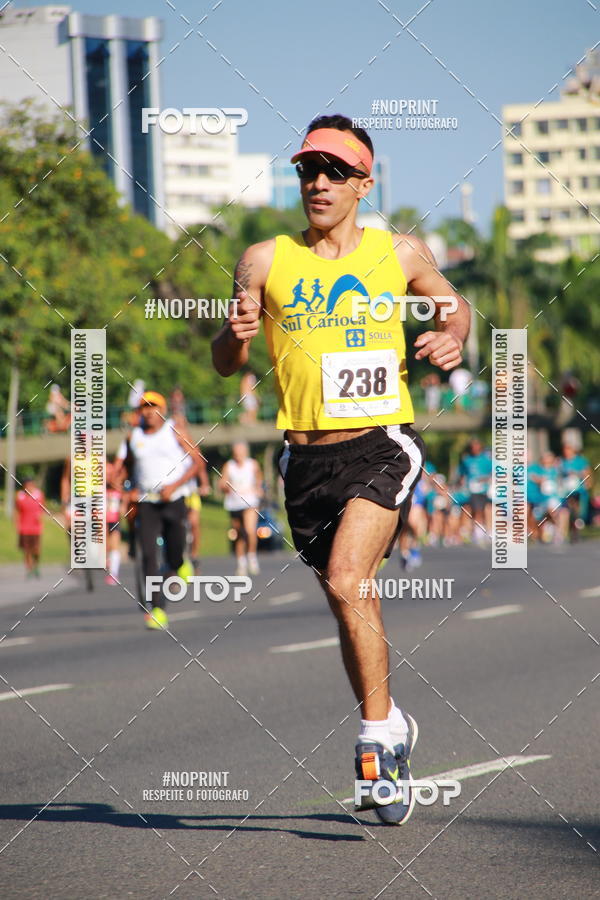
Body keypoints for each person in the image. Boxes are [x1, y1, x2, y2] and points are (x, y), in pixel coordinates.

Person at [212, 114, 470, 825]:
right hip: (304, 458)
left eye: (332, 171)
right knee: (347, 596)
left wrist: (450, 334)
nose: (317, 182)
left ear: (364, 182)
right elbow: (227, 357)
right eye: (306, 170)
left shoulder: (400, 252)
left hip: (383, 440)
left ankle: (372, 742)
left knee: (352, 580)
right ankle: (391, 724)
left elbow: (456, 308)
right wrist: (231, 340)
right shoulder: (265, 260)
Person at [113, 391, 201, 630]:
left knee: (174, 554)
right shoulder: (134, 436)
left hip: (173, 500)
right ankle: (157, 609)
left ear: (162, 410)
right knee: (149, 557)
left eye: (154, 406)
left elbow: (198, 462)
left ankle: (180, 562)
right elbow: (127, 467)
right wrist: (122, 484)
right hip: (146, 503)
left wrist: (174, 485)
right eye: (145, 407)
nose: (149, 411)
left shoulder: (174, 431)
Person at [220, 442, 263, 575]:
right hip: (234, 503)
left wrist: (259, 489)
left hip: (250, 501)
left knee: (250, 531)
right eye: (236, 452)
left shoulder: (253, 464)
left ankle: (252, 558)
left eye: (241, 452)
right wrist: (225, 487)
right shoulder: (229, 465)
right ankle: (241, 563)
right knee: (238, 534)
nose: (238, 455)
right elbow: (222, 482)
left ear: (245, 452)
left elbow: (259, 479)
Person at [458, 438, 492, 545]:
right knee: (476, 510)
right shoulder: (467, 460)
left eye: (476, 446)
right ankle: (478, 532)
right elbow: (462, 474)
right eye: (472, 447)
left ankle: (489, 531)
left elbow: (493, 473)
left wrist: (484, 480)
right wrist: (463, 483)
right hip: (472, 490)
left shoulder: (487, 460)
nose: (475, 449)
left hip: (485, 489)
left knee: (487, 509)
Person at [15, 474, 45, 577]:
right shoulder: (20, 496)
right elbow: (17, 511)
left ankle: (36, 566)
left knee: (36, 549)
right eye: (26, 485)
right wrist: (16, 524)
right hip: (24, 527)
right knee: (27, 550)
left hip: (36, 527)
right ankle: (29, 569)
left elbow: (42, 508)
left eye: (30, 484)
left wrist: (40, 515)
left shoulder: (39, 494)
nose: (29, 487)